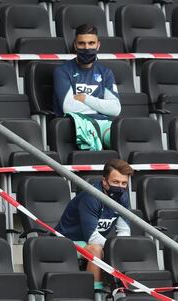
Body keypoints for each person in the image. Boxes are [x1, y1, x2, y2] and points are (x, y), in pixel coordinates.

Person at [55, 159, 133, 288]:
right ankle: (96, 293)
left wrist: (121, 248)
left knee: (125, 248)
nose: (120, 187)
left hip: (91, 242)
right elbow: (92, 237)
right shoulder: (91, 197)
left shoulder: (122, 197)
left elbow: (124, 230)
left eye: (124, 183)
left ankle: (123, 291)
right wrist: (113, 249)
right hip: (66, 241)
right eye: (115, 182)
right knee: (96, 250)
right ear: (104, 181)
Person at [53, 24, 120, 150]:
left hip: (104, 125)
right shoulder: (62, 71)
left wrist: (85, 98)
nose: (87, 48)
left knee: (123, 137)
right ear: (75, 45)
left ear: (98, 45)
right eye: (82, 43)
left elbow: (115, 109)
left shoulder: (106, 73)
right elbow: (68, 107)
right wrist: (102, 107)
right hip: (75, 125)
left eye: (91, 43)